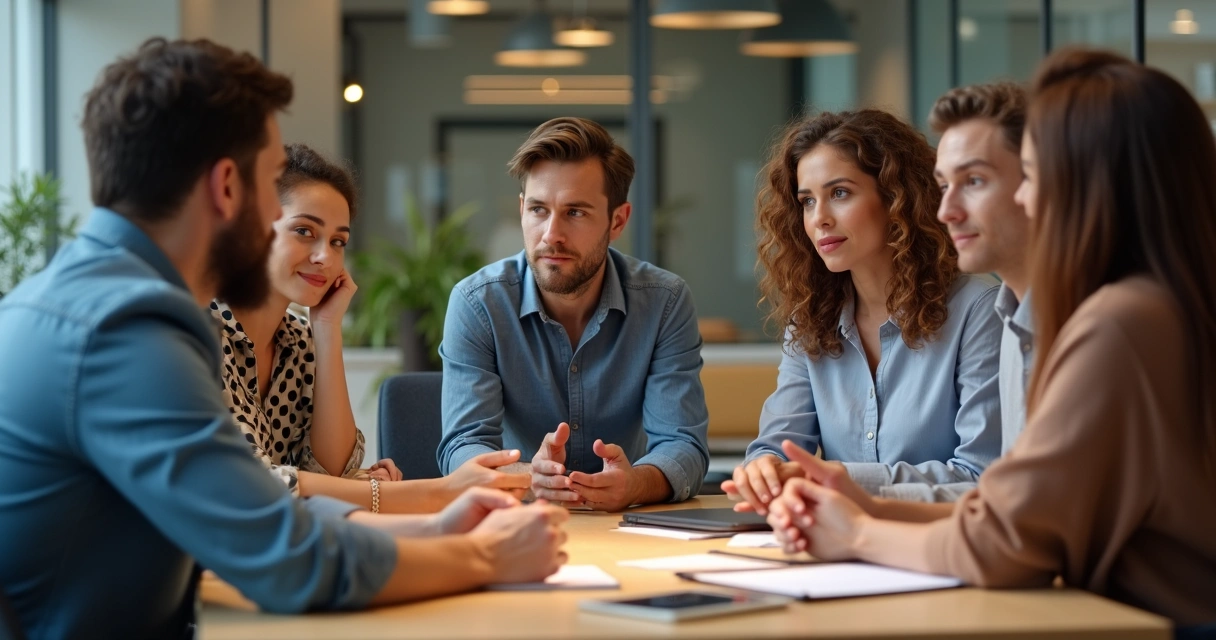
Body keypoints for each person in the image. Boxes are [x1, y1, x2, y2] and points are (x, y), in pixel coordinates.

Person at [0, 38, 566, 640]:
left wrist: (435, 529)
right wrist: (488, 557)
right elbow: (286, 561)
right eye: (272, 183)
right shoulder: (129, 330)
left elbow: (252, 514)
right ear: (226, 187)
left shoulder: (66, 298)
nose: (276, 210)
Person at [766, 49, 1216, 628]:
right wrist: (865, 506)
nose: (945, 209)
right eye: (944, 184)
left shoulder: (1118, 322)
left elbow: (1004, 542)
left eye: (980, 181)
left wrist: (857, 531)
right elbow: (1007, 514)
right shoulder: (1036, 315)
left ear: (1092, 183)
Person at [753, 84, 1037, 519]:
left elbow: (981, 477)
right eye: (807, 201)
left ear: (896, 197)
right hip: (842, 548)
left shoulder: (980, 309)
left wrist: (840, 480)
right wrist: (765, 472)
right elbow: (776, 449)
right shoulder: (810, 321)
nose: (820, 218)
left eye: (840, 193)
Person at [212, 143, 529, 513]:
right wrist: (434, 491)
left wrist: (327, 329)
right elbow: (249, 484)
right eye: (303, 231)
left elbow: (332, 471)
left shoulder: (299, 339)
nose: (325, 257)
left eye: (338, 242)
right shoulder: (199, 333)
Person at [437, 117, 710, 511]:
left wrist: (635, 484)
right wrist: (530, 477)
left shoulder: (663, 302)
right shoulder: (478, 304)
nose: (551, 234)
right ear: (521, 211)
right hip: (520, 522)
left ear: (617, 220)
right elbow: (463, 448)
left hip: (628, 531)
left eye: (575, 213)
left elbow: (682, 445)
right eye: (538, 210)